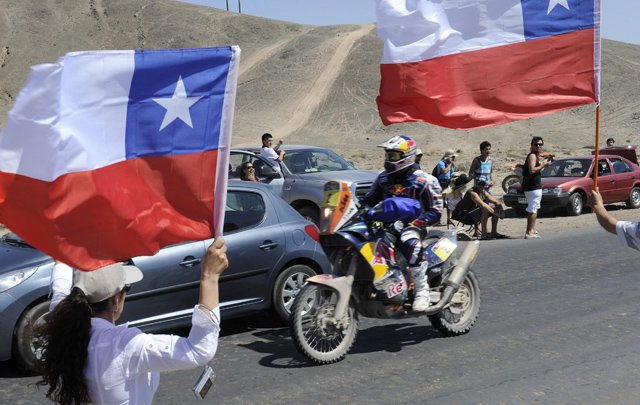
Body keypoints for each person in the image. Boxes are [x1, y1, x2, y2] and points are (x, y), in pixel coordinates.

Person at [37, 239, 228, 405]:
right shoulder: (126, 345)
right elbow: (199, 350)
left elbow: (60, 291)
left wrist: (60, 260)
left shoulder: (62, 324)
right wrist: (209, 277)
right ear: (115, 300)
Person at [360, 135, 443, 311]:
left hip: (415, 226)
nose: (389, 160)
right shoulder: (383, 179)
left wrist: (413, 223)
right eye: (388, 155)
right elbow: (368, 200)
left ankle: (422, 292)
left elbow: (436, 212)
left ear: (408, 156)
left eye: (394, 156)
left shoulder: (424, 180)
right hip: (386, 227)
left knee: (409, 241)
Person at [522, 137, 551, 239]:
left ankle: (532, 230)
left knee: (534, 208)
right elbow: (532, 170)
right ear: (532, 145)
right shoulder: (533, 156)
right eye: (536, 144)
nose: (538, 146)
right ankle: (529, 232)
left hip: (533, 186)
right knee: (533, 209)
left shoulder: (535, 156)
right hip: (533, 187)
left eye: (540, 144)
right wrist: (543, 165)